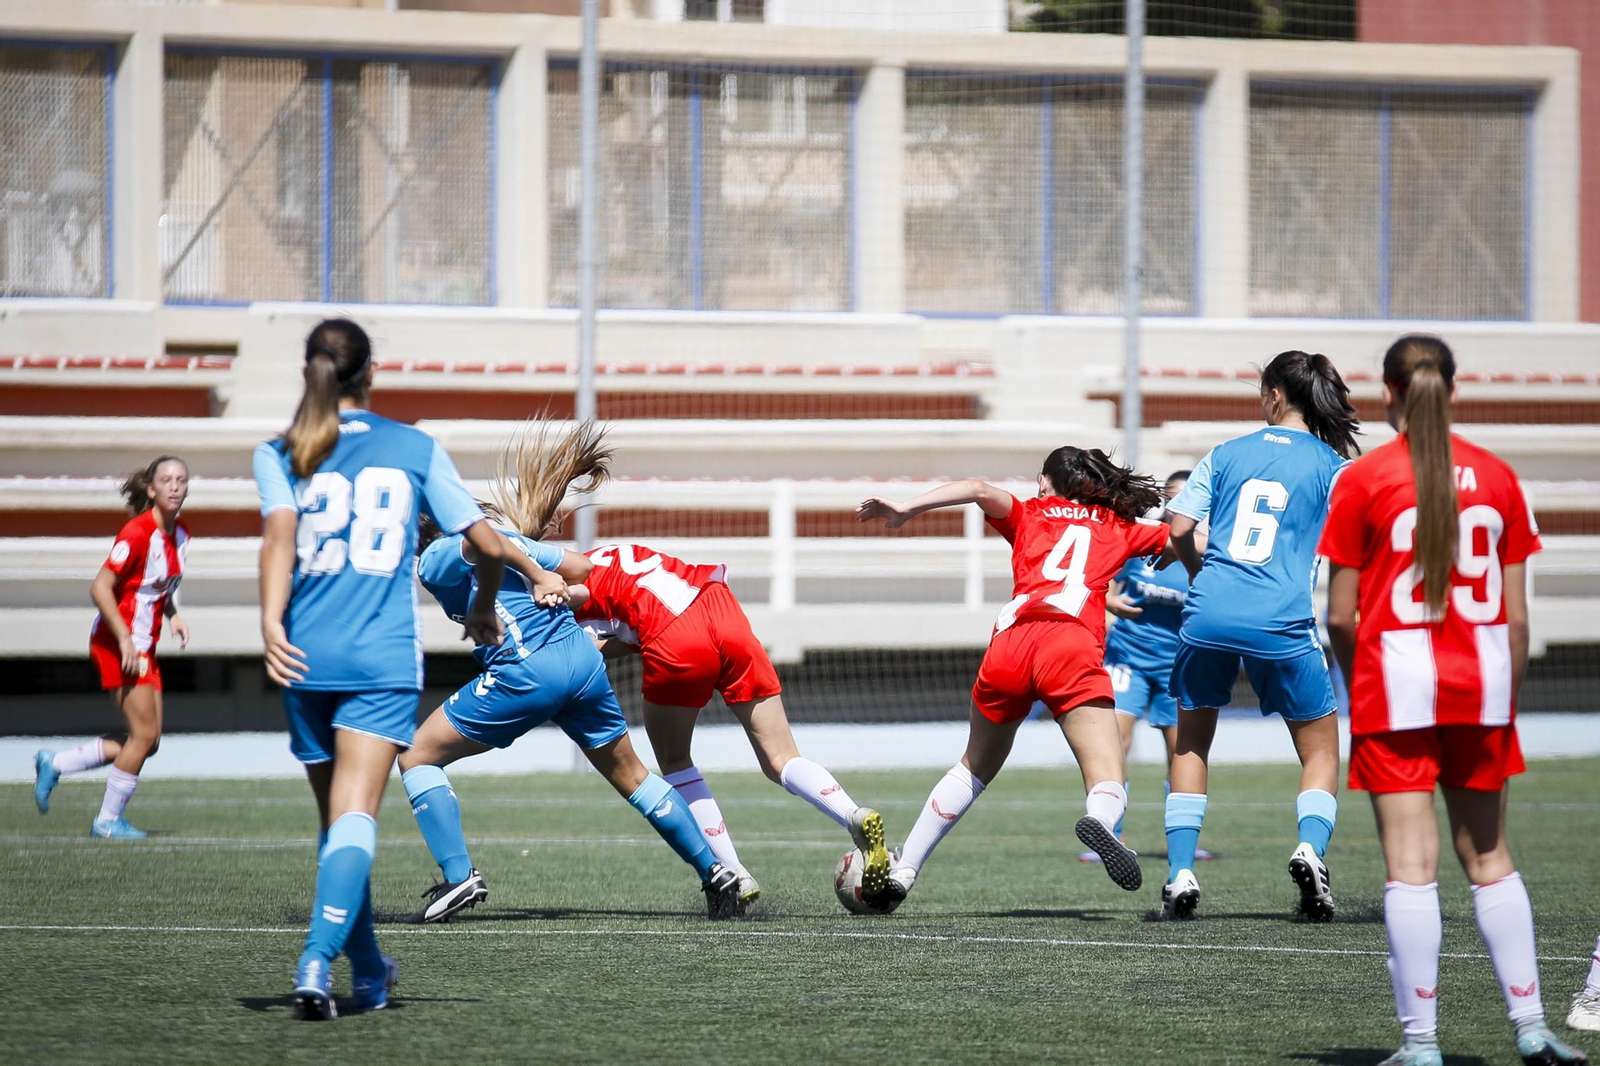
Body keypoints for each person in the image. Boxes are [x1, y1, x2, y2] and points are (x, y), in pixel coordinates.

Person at [1320, 335, 1587, 1066]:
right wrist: (1505, 695)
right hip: (1482, 688)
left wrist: (1359, 682)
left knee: (1411, 865)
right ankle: (1531, 1028)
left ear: (1388, 396)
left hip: (1395, 690)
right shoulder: (1500, 477)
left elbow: (1339, 615)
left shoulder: (1365, 479)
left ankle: (1423, 1045)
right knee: (1492, 857)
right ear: (1455, 392)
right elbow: (1519, 618)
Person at [254, 318, 506, 1020]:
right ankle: (315, 957)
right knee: (355, 819)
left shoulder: (280, 450)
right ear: (371, 375)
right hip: (380, 659)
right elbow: (486, 542)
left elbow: (277, 542)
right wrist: (483, 606)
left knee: (336, 825)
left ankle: (368, 972)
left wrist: (271, 622)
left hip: (303, 652)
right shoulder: (415, 446)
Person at [398, 423, 741, 923]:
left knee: (415, 757)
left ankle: (458, 878)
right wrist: (549, 577)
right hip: (581, 662)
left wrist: (536, 577)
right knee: (634, 776)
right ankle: (715, 871)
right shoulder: (512, 538)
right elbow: (580, 568)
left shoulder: (435, 555)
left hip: (526, 670)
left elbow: (484, 545)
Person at [856, 446, 1171, 910]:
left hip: (1012, 642)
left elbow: (979, 489)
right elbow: (1197, 544)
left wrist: (907, 507)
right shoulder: (1120, 527)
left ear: (1046, 482)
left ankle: (905, 870)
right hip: (1070, 646)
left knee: (972, 767)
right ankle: (1101, 822)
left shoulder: (1031, 513)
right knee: (1107, 774)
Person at [571, 546, 891, 913]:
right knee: (782, 758)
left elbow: (585, 651)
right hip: (719, 606)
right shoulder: (597, 556)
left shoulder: (550, 596)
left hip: (673, 632)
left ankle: (733, 873)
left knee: (675, 761)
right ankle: (852, 814)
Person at [1162, 350, 1358, 922]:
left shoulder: (1225, 453)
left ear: (1274, 395)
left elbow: (1178, 528)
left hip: (1209, 613)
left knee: (1191, 742)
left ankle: (1180, 874)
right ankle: (1309, 848)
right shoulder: (1332, 466)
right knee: (1320, 749)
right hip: (1283, 619)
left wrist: (1201, 575)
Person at [34, 456, 191, 839]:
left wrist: (173, 615)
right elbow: (100, 587)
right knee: (143, 735)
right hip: (117, 644)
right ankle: (106, 821)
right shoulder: (136, 533)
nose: (174, 486)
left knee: (149, 741)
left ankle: (57, 763)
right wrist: (122, 635)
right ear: (151, 490)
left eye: (181, 480)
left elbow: (154, 585)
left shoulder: (182, 535)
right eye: (166, 480)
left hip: (143, 647)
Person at [1080, 469, 1213, 864]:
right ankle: (1108, 834)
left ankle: (1181, 841)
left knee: (1181, 753)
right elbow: (1093, 578)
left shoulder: (1201, 551)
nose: (1179, 505)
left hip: (1176, 665)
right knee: (1114, 743)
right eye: (1174, 497)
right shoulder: (1141, 542)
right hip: (1128, 659)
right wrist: (1107, 604)